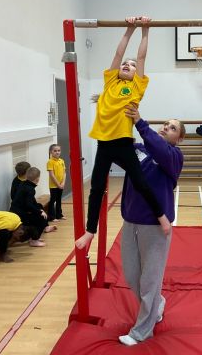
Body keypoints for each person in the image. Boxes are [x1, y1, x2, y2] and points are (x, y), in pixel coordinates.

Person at [75, 16, 171, 250]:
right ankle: (90, 231)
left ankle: (161, 216)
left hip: (123, 143)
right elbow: (118, 54)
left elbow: (141, 57)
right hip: (104, 144)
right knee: (96, 188)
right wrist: (129, 29)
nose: (127, 65)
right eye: (124, 64)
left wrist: (145, 30)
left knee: (140, 182)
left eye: (132, 65)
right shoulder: (110, 81)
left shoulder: (137, 86)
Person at [118, 104, 185, 346]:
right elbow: (118, 146)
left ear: (179, 138)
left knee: (150, 280)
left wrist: (140, 122)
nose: (166, 127)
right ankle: (157, 305)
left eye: (173, 128)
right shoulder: (139, 149)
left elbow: (158, 148)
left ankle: (142, 331)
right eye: (166, 124)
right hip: (130, 222)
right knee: (131, 276)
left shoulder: (173, 157)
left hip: (155, 226)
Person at [10, 167, 56, 247]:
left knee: (39, 207)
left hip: (17, 210)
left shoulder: (24, 184)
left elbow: (32, 202)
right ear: (37, 179)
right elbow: (29, 205)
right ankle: (34, 240)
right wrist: (40, 212)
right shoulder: (30, 189)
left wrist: (40, 209)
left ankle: (37, 234)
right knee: (42, 218)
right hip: (19, 214)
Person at [47, 144, 66, 222]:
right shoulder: (50, 162)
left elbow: (64, 173)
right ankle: (51, 217)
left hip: (61, 185)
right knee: (53, 200)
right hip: (54, 186)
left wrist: (63, 183)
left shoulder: (61, 161)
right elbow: (52, 175)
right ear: (51, 152)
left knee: (59, 200)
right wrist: (58, 184)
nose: (57, 152)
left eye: (58, 150)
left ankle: (59, 215)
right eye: (55, 151)